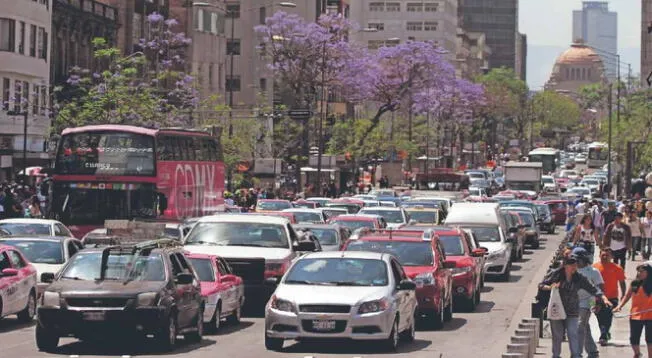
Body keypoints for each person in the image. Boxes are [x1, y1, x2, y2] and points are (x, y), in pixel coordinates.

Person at [539, 254, 613, 358]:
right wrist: (550, 287)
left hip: (575, 309)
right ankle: (556, 355)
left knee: (574, 333)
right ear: (565, 265)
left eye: (575, 265)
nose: (574, 267)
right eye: (572, 265)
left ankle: (576, 355)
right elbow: (541, 285)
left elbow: (594, 289)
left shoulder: (581, 277)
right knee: (558, 336)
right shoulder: (555, 274)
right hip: (557, 310)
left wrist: (603, 299)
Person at [613, 263, 652, 358]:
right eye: (638, 271)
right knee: (634, 339)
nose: (639, 273)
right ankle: (637, 353)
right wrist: (620, 306)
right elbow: (627, 295)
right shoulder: (635, 283)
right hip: (635, 315)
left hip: (650, 315)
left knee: (650, 339)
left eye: (642, 271)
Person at [573, 247, 603, 357]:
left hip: (589, 301)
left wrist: (597, 304)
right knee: (585, 326)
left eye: (577, 259)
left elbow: (600, 288)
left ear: (584, 259)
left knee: (580, 326)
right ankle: (593, 351)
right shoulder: (571, 270)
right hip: (573, 302)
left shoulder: (593, 272)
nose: (575, 262)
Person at [593, 248, 627, 346]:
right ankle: (605, 332)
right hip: (596, 298)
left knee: (608, 315)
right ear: (599, 256)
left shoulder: (617, 268)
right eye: (603, 255)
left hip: (612, 297)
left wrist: (623, 295)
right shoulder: (594, 267)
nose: (605, 257)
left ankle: (603, 335)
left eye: (607, 255)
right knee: (598, 315)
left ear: (612, 257)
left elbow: (622, 282)